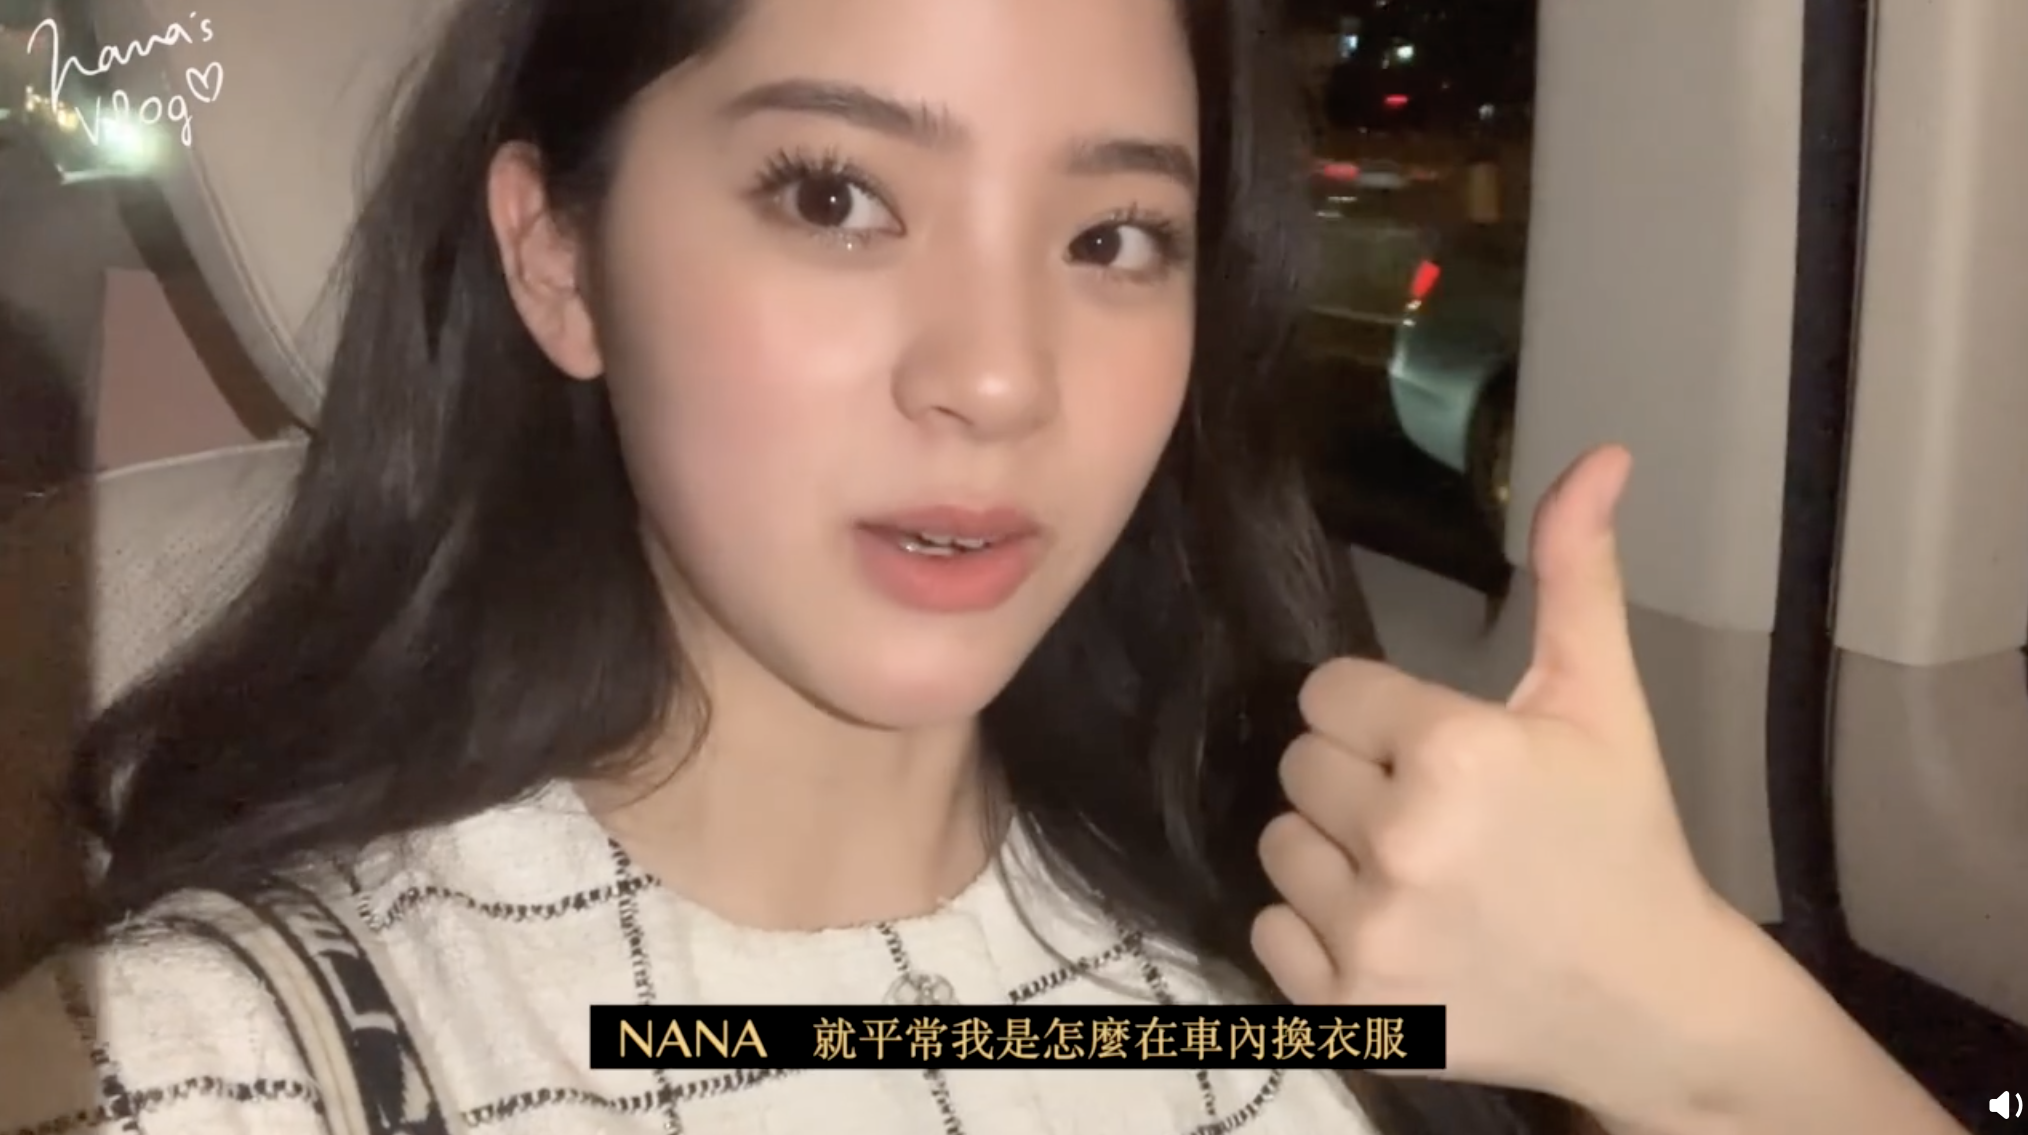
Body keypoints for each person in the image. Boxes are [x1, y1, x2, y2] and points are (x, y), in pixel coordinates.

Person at [0, 0, 1970, 1133]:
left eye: (1114, 238)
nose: (1003, 377)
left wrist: (1693, 1031)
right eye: (836, 196)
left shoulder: (1315, 929)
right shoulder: (198, 1072)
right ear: (560, 260)